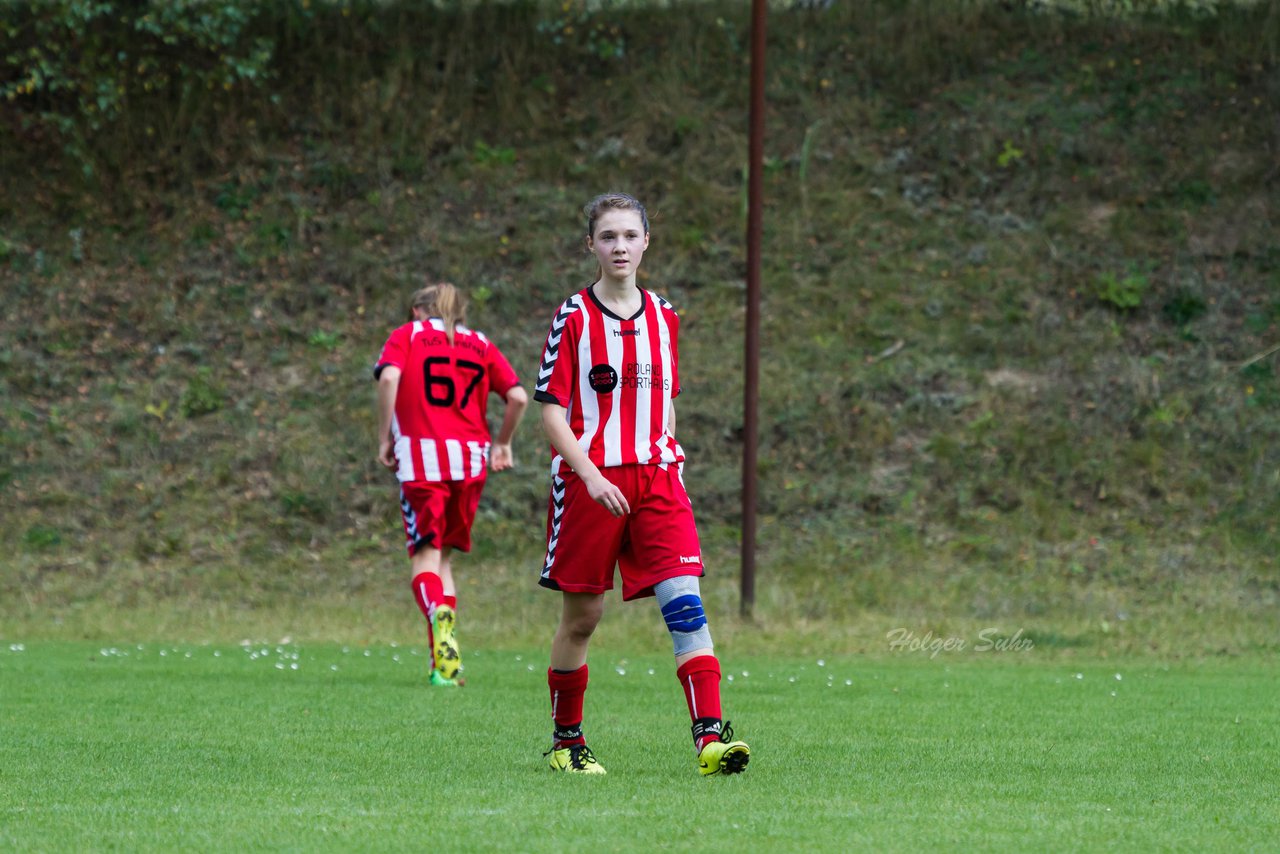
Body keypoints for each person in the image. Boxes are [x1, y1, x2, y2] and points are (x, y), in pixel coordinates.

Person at [532, 192, 751, 776]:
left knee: (686, 606)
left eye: (630, 235)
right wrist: (590, 474)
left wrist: (670, 458)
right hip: (590, 481)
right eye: (608, 237)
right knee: (583, 618)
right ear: (592, 246)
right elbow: (551, 411)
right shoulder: (573, 317)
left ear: (647, 241)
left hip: (657, 477)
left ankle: (710, 739)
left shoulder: (664, 315)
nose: (620, 246)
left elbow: (665, 402)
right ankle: (566, 743)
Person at [374, 282, 528, 687]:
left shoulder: (407, 336)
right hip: (471, 461)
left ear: (420, 311)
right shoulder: (480, 343)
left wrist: (385, 438)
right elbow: (518, 397)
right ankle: (443, 666)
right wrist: (504, 443)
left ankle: (437, 616)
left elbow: (389, 378)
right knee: (443, 561)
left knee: (424, 558)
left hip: (422, 459)